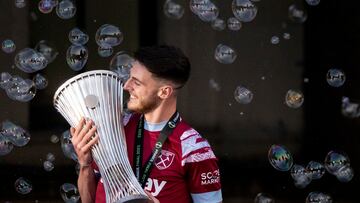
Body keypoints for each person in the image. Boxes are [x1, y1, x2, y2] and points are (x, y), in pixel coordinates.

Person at [70, 45, 222, 203]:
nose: (126, 86)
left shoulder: (194, 148)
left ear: (164, 92)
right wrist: (85, 165)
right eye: (129, 78)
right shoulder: (113, 127)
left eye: (136, 82)